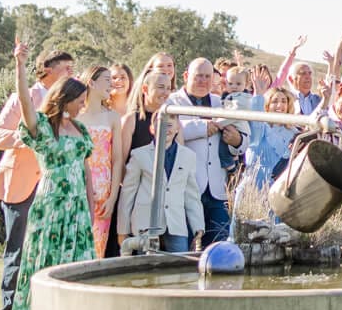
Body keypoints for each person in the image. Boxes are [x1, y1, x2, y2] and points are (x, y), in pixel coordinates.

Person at [7, 40, 94, 310]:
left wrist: (90, 207)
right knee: (44, 255)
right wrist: (20, 65)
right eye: (80, 100)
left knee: (78, 256)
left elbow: (86, 170)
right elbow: (24, 102)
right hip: (51, 202)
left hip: (78, 204)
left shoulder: (80, 130)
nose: (83, 106)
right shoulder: (43, 126)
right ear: (64, 98)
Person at [0, 46, 74, 310]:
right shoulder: (23, 98)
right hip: (21, 184)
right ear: (47, 70)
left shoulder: (69, 104)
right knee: (18, 251)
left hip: (53, 186)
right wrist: (29, 137)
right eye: (66, 69)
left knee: (45, 251)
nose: (71, 74)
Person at [118, 70, 202, 253]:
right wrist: (122, 230)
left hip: (175, 222)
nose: (167, 127)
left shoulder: (186, 156)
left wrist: (198, 226)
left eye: (168, 88)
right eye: (160, 87)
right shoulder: (139, 154)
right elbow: (128, 192)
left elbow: (191, 193)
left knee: (178, 266)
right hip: (145, 222)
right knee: (144, 268)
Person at [171, 58, 245, 248]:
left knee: (219, 247)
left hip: (216, 189)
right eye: (198, 76)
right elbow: (170, 129)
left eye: (207, 76)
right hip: (186, 187)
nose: (203, 81)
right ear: (186, 76)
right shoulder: (173, 101)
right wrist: (202, 127)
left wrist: (237, 140)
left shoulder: (220, 101)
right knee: (183, 247)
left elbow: (244, 136)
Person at [75, 64, 126, 258]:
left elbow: (117, 158)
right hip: (79, 184)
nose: (111, 84)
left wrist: (113, 197)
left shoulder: (112, 117)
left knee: (98, 245)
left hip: (104, 188)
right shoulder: (75, 116)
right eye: (106, 79)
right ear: (92, 82)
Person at [248, 87, 299, 187]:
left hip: (278, 189)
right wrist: (258, 94)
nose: (280, 105)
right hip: (252, 185)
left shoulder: (294, 133)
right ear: (267, 105)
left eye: (284, 101)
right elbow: (255, 132)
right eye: (274, 101)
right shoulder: (260, 126)